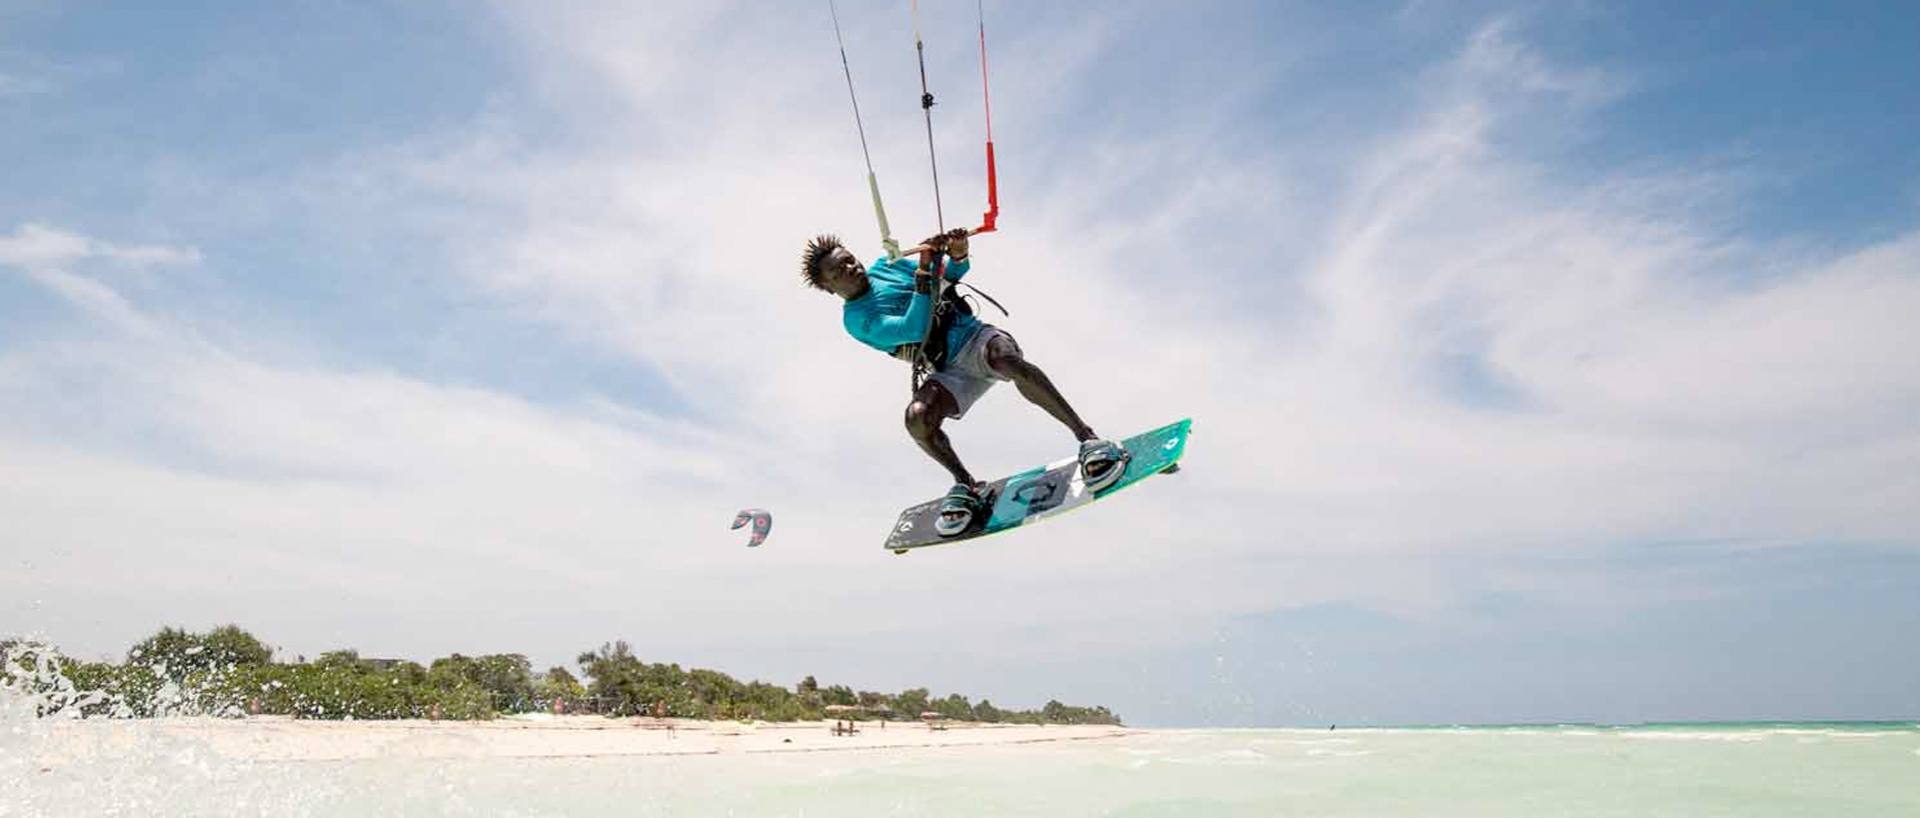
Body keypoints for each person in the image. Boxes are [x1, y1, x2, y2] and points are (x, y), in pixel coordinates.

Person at [800, 228, 1126, 535]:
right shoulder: (856, 320)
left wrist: (957, 254)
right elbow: (914, 327)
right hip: (947, 369)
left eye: (849, 260)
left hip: (976, 338)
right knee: (916, 418)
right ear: (829, 287)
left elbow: (949, 276)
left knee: (1009, 362)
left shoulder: (888, 266)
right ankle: (966, 484)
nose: (850, 268)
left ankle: (1088, 438)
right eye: (838, 272)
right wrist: (924, 271)